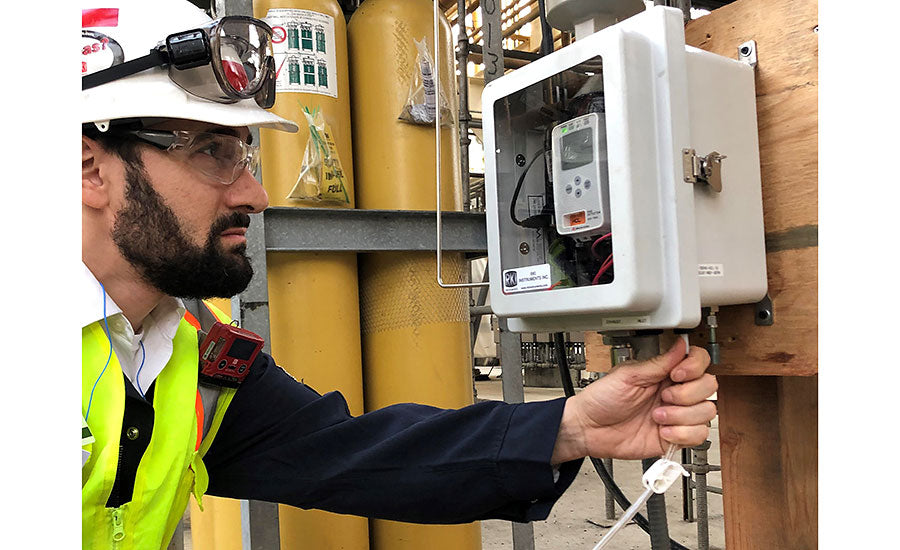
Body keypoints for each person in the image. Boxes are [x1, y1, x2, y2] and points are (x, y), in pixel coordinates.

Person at [81, 2, 718, 549]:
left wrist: (571, 426)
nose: (257, 193)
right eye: (213, 153)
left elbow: (359, 454)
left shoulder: (189, 354)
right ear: (90, 168)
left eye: (244, 153)